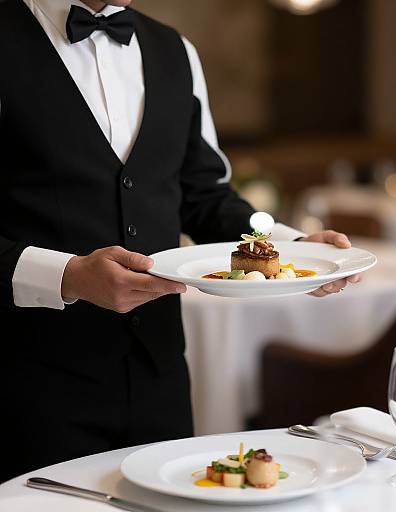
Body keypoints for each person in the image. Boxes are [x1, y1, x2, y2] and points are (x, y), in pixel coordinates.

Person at [0, 0, 359, 482]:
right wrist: (68, 277)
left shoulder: (176, 51)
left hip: (159, 376)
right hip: (27, 385)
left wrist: (293, 249)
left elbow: (206, 198)